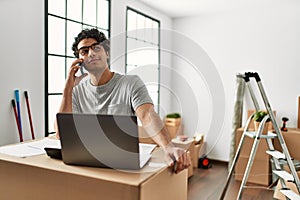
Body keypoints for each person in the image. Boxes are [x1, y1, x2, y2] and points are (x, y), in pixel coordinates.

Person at [55, 28, 190, 173]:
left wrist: (168, 146)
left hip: (121, 165)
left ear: (107, 53)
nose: (91, 53)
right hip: (86, 164)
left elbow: (147, 116)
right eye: (84, 51)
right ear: (79, 61)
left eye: (96, 48)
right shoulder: (75, 91)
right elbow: (61, 134)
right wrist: (67, 89)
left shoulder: (130, 83)